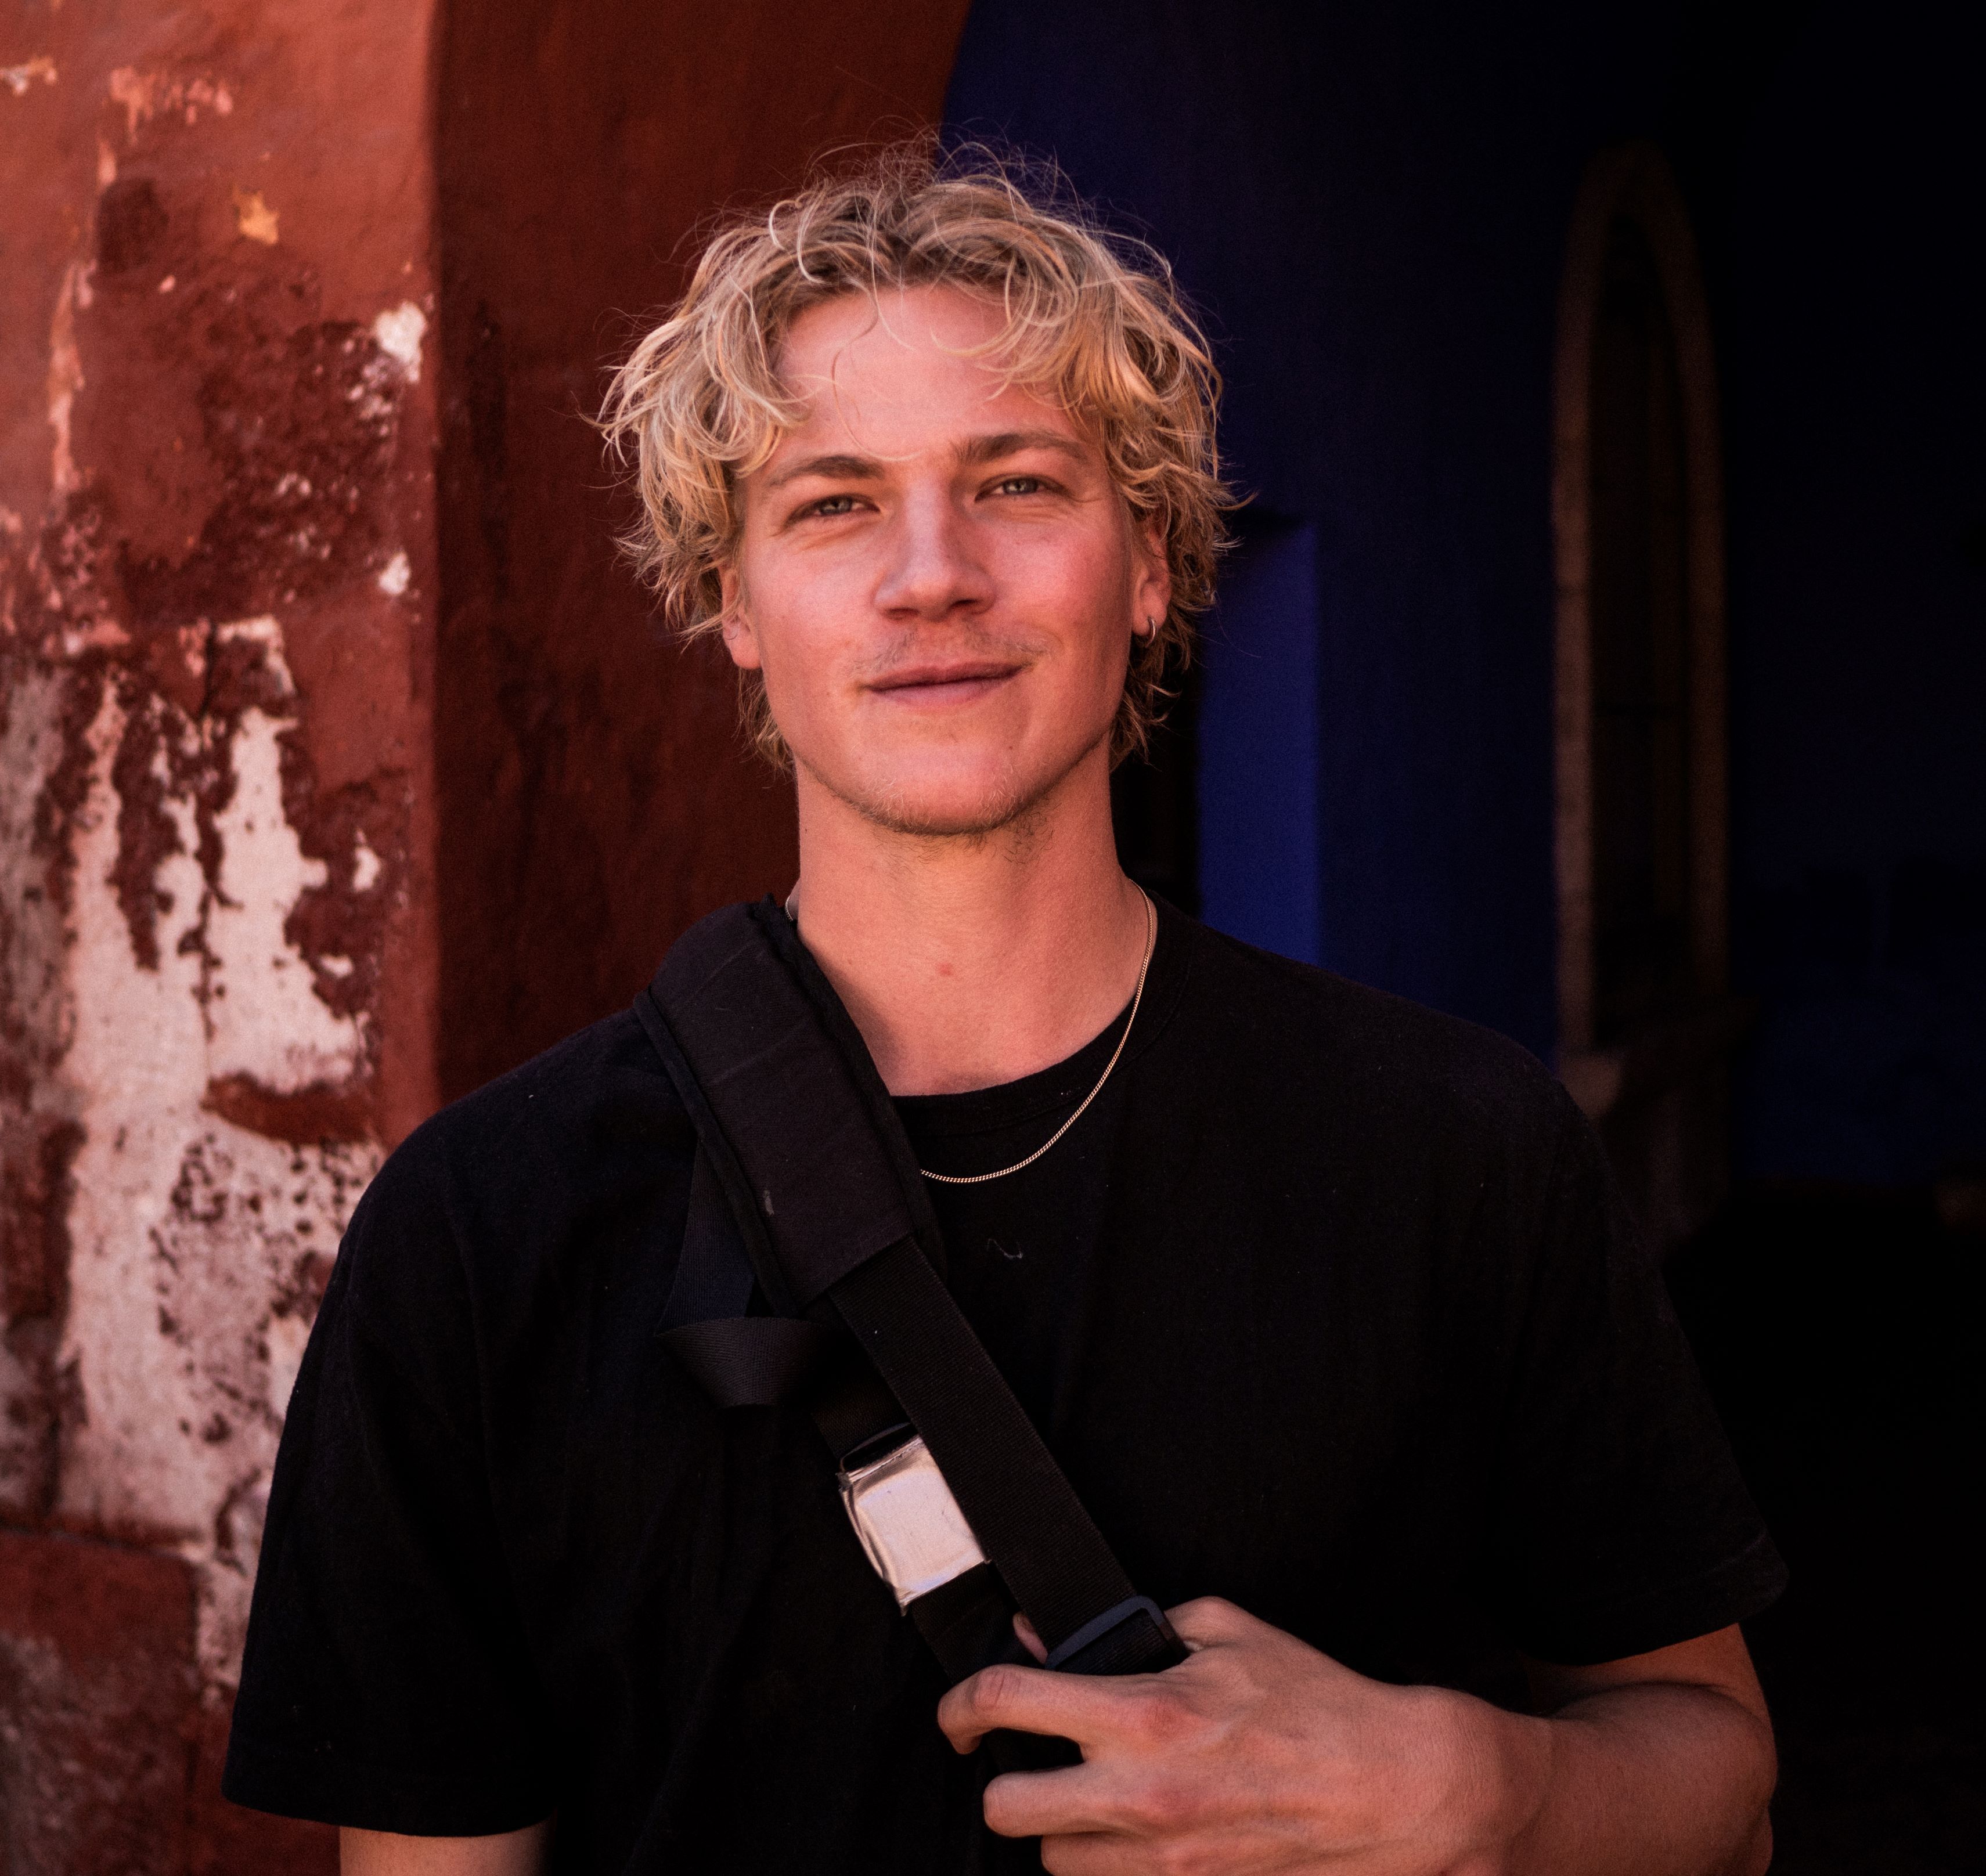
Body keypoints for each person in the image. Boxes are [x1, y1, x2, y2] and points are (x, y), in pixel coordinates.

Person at [224, 147, 1785, 1875]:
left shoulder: (1461, 1151)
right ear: (734, 604)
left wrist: (1487, 1794)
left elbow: (1718, 1771)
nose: (931, 573)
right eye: (831, 503)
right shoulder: (478, 1233)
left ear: (1150, 563)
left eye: (1019, 484)